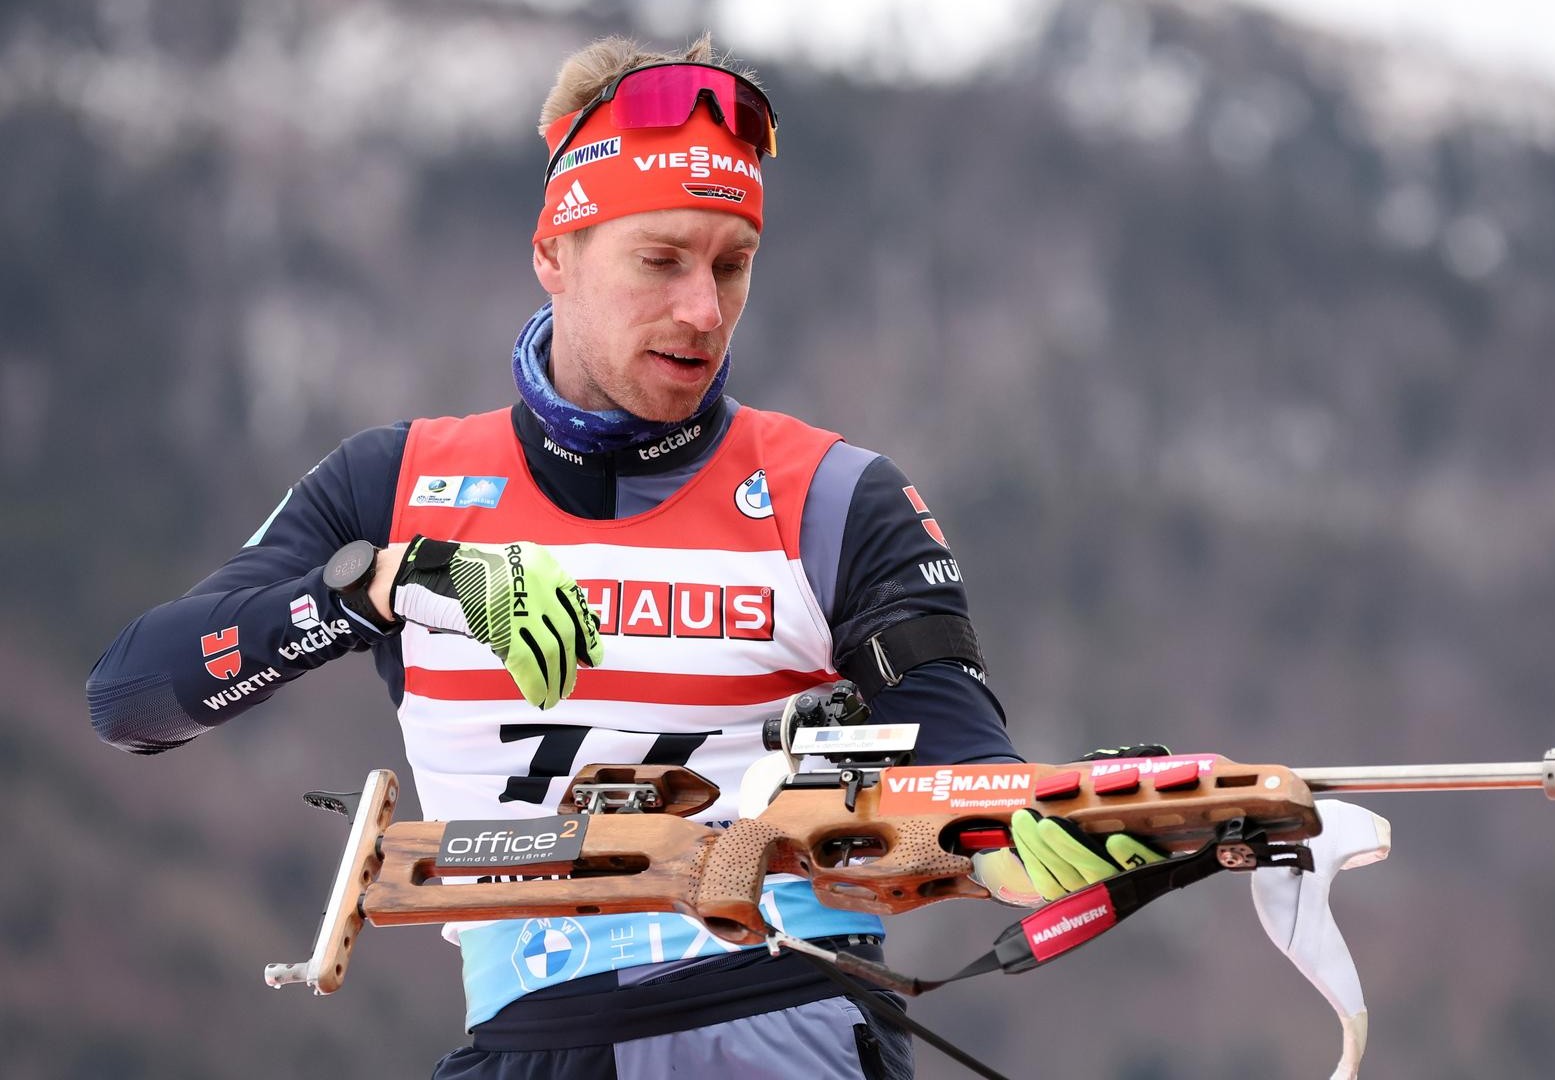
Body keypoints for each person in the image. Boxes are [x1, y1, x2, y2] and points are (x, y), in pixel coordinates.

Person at [88, 34, 1155, 1079]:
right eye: (661, 260)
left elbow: (961, 760)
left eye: (733, 265)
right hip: (526, 1034)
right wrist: (386, 582)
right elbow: (134, 698)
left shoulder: (836, 496)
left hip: (783, 1021)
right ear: (554, 252)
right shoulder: (395, 483)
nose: (704, 310)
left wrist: (1032, 841)